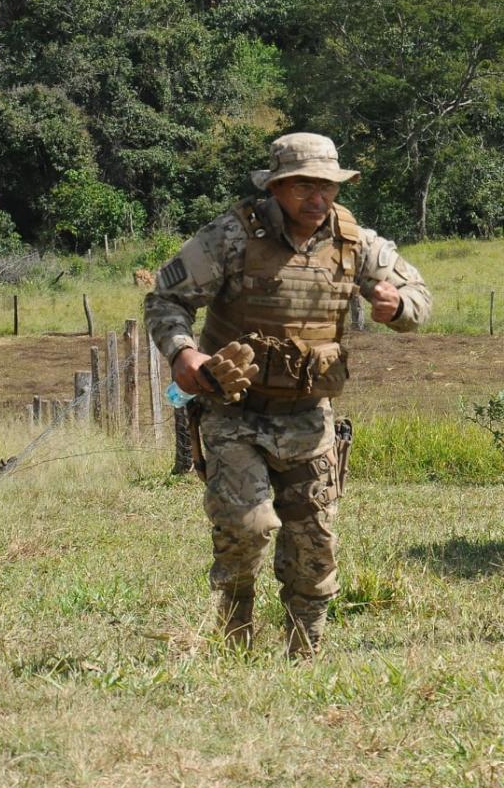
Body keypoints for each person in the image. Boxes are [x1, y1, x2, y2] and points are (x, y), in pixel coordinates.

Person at [144, 132, 431, 657]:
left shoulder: (355, 242)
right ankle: (234, 639)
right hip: (235, 413)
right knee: (246, 529)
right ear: (276, 187)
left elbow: (418, 294)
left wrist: (398, 306)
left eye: (327, 187)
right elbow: (166, 298)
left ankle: (305, 653)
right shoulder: (231, 236)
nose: (317, 198)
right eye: (303, 187)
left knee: (314, 547)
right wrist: (184, 354)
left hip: (309, 417)